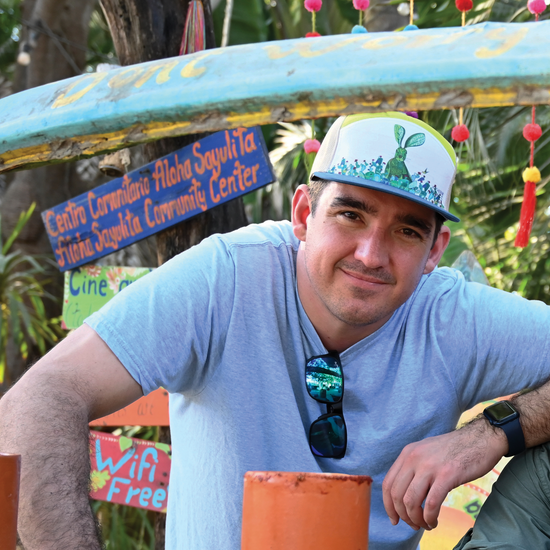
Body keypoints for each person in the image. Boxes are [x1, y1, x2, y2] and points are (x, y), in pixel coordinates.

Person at [2, 111, 550, 550]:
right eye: (351, 215)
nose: (370, 254)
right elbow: (41, 396)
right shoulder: (229, 275)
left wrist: (492, 432)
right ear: (304, 214)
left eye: (406, 231)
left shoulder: (450, 316)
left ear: (434, 250)